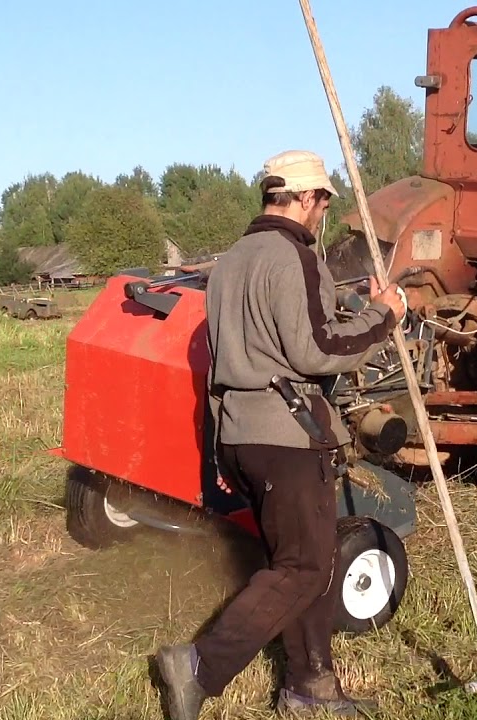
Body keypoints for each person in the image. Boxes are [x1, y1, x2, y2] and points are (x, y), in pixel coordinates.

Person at [153, 149, 407, 720]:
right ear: (304, 198)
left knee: (295, 562)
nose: (322, 213)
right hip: (288, 433)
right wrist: (386, 317)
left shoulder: (232, 261)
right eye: (322, 201)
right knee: (307, 567)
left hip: (242, 434)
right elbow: (319, 351)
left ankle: (309, 685)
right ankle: (199, 666)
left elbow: (241, 352)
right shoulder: (294, 257)